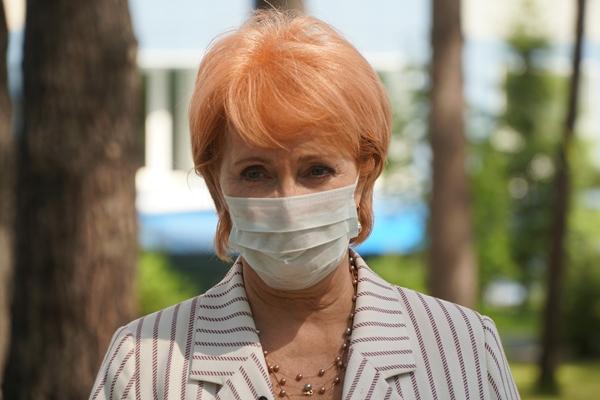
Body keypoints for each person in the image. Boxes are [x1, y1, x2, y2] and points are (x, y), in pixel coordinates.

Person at [89, 9, 519, 400]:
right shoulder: (144, 364)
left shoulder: (463, 348)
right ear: (217, 186)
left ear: (364, 176)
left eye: (316, 170)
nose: (288, 201)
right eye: (255, 172)